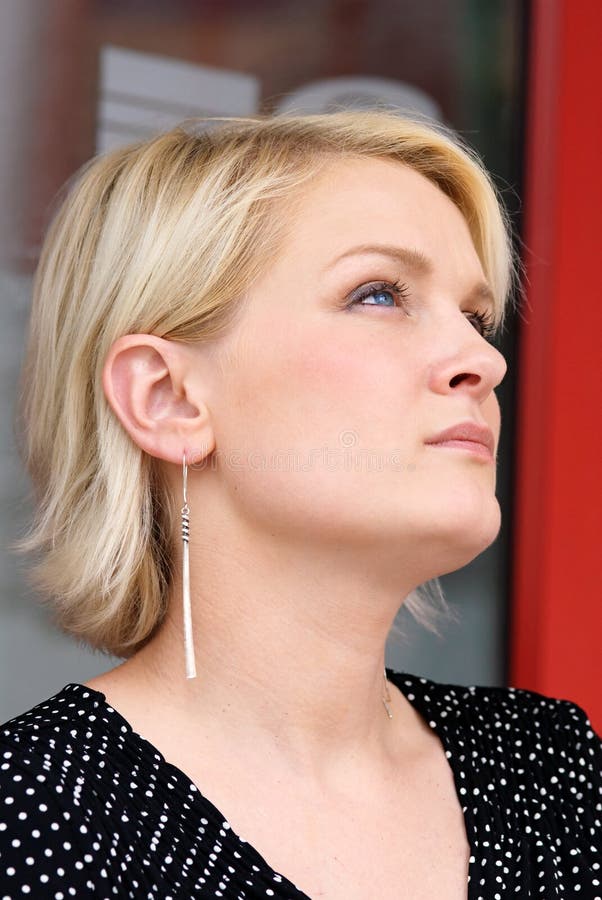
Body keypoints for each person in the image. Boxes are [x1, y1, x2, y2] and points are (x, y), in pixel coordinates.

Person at [1, 110, 600, 900]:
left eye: (476, 317)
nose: (482, 359)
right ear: (169, 398)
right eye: (379, 294)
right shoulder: (31, 817)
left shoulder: (549, 771)